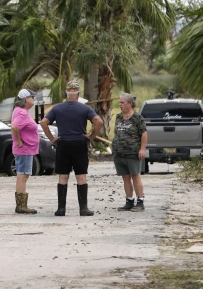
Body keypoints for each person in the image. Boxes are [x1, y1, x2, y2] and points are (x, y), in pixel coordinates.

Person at [40, 80, 103, 217]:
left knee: (63, 176)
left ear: (66, 93)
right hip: (79, 143)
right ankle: (83, 208)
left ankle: (61, 209)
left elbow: (44, 122)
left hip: (63, 143)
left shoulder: (57, 108)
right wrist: (91, 136)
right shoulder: (84, 108)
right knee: (81, 175)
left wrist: (52, 139)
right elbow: (99, 121)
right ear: (78, 93)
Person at [112, 93, 148, 212]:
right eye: (120, 102)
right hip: (119, 153)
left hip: (133, 153)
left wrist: (142, 149)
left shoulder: (137, 118)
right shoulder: (118, 117)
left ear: (130, 104)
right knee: (125, 178)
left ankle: (140, 201)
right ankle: (129, 201)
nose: (120, 104)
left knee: (135, 177)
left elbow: (144, 134)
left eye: (122, 102)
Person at [11, 89, 40, 214]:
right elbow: (14, 127)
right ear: (26, 99)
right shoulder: (22, 113)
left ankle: (21, 204)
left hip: (25, 149)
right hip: (24, 149)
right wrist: (18, 140)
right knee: (23, 175)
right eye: (32, 97)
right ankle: (21, 206)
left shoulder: (20, 111)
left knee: (22, 175)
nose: (34, 99)